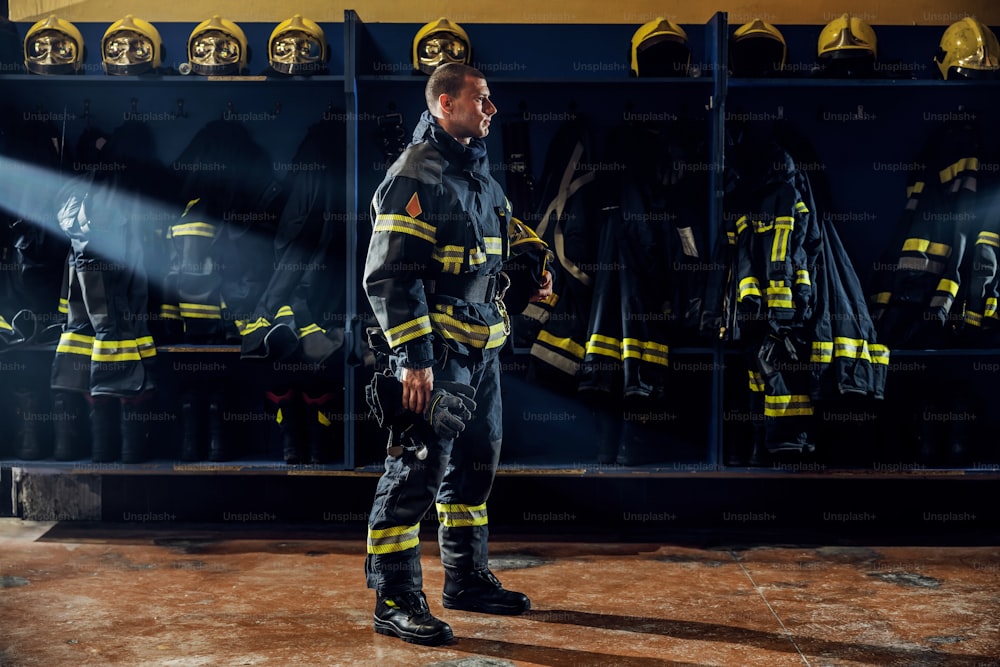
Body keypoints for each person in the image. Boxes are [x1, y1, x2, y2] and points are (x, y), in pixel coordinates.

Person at [362, 62, 552, 646]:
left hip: (482, 352)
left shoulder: (476, 174)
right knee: (417, 472)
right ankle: (395, 598)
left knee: (475, 468)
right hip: (437, 359)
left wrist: (537, 261)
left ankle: (465, 579)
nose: (492, 110)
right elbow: (392, 275)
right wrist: (414, 358)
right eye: (483, 100)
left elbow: (503, 230)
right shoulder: (417, 174)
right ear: (446, 103)